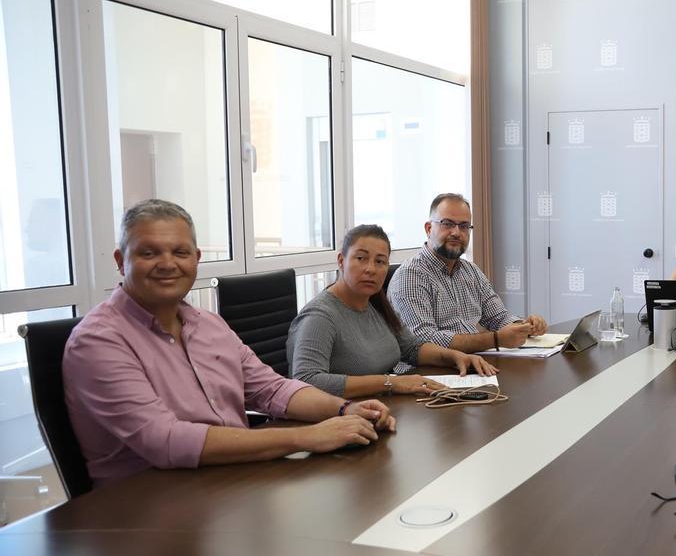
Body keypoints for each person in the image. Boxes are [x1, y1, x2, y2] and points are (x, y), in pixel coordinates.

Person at [63, 200, 395, 486]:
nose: (167, 263)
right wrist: (307, 436)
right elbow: (165, 441)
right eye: (149, 252)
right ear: (121, 261)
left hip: (231, 480)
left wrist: (345, 409)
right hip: (145, 510)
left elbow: (272, 389)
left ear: (196, 258)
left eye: (180, 252)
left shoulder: (208, 324)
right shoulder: (98, 341)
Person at [288, 224, 498, 399]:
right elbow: (306, 380)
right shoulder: (320, 316)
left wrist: (455, 357)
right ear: (341, 261)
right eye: (361, 258)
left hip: (379, 408)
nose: (371, 269)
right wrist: (391, 383)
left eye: (380, 261)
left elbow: (411, 348)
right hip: (334, 421)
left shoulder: (375, 304)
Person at [389, 193, 548, 353]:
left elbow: (498, 317)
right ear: (429, 229)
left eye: (464, 226)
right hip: (431, 371)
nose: (457, 232)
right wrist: (495, 339)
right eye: (447, 224)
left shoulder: (471, 271)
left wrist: (525, 326)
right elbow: (424, 340)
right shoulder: (410, 275)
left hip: (472, 364)